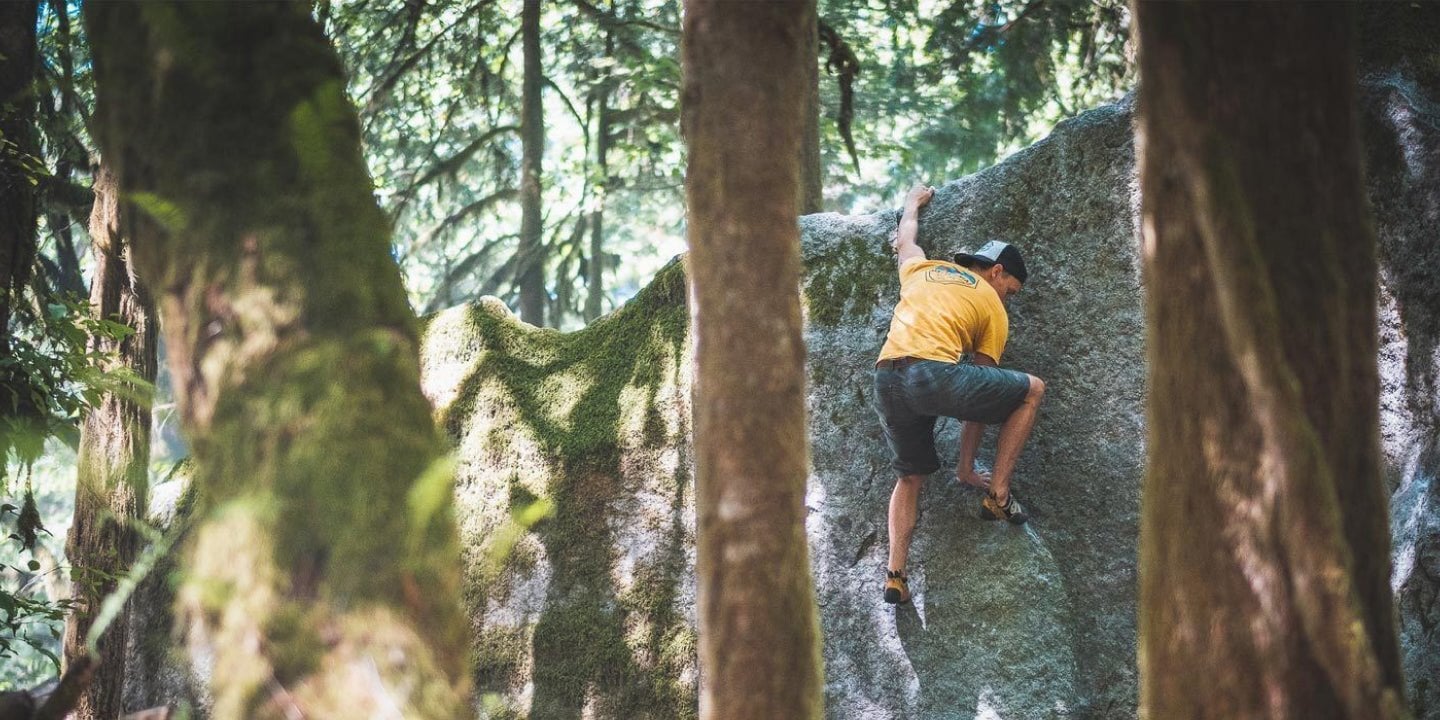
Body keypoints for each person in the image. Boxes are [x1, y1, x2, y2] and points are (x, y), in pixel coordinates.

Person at [873, 184, 1046, 605]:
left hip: (886, 377)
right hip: (931, 374)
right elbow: (979, 403)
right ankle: (998, 494)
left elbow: (905, 239)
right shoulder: (991, 304)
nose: (1008, 299)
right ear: (997, 272)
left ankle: (895, 575)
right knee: (1032, 390)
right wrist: (967, 468)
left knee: (909, 476)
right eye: (1011, 291)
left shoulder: (921, 269)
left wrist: (913, 202)